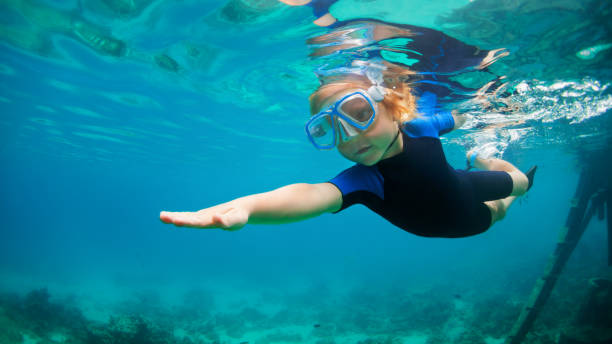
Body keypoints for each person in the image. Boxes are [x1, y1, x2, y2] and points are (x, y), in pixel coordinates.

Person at [160, 68, 536, 238]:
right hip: (467, 225)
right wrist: (250, 207)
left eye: (359, 114)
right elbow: (312, 195)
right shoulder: (364, 179)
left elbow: (465, 113)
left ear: (394, 108)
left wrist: (496, 106)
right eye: (330, 129)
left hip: (465, 189)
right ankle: (484, 163)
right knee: (497, 216)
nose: (350, 134)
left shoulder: (421, 125)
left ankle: (485, 157)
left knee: (519, 185)